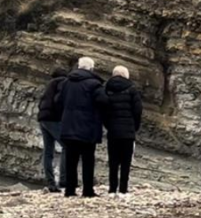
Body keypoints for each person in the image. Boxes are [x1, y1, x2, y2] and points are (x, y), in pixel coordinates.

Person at [55, 57, 108, 198]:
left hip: (68, 126)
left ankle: (70, 190)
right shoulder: (94, 84)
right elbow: (103, 101)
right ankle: (87, 190)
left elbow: (58, 101)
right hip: (87, 127)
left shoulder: (66, 82)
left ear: (78, 67)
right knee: (88, 160)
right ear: (91, 68)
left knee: (71, 160)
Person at [103, 66, 143, 196]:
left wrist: (108, 125)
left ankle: (112, 188)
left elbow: (103, 109)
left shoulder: (106, 89)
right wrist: (134, 126)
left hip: (113, 131)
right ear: (126, 75)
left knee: (113, 161)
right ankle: (123, 189)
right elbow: (138, 110)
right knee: (126, 161)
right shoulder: (132, 89)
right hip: (128, 131)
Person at [37, 67, 68, 192]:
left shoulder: (49, 85)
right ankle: (63, 180)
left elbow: (41, 103)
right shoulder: (62, 82)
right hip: (54, 119)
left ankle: (50, 182)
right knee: (67, 146)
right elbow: (59, 100)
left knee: (48, 151)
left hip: (43, 119)